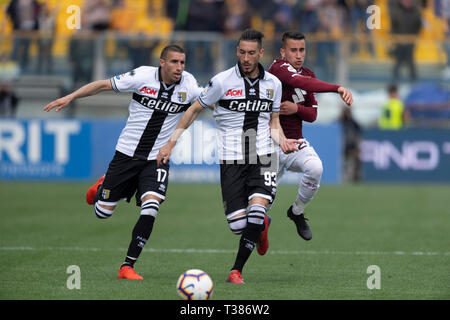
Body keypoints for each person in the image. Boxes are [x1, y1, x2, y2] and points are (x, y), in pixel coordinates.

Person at [43, 45, 202, 280]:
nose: (179, 67)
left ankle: (127, 266)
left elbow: (203, 104)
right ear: (162, 62)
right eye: (174, 62)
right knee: (102, 212)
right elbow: (101, 85)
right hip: (126, 155)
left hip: (157, 159)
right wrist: (71, 96)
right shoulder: (141, 77)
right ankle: (102, 186)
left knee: (151, 207)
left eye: (182, 63)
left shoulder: (189, 85)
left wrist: (172, 140)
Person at [157, 29, 300, 284]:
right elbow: (193, 110)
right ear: (237, 51)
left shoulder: (274, 85)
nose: (246, 58)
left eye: (251, 53)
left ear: (261, 53)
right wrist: (171, 142)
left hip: (264, 156)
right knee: (238, 226)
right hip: (232, 160)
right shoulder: (221, 82)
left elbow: (274, 122)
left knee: (254, 212)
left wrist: (283, 141)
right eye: (242, 52)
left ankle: (236, 271)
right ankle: (261, 224)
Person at [268, 31, 353, 240]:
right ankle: (260, 229)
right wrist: (337, 88)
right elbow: (302, 83)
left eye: (302, 50)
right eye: (293, 50)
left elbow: (313, 115)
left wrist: (295, 109)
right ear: (282, 52)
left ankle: (296, 211)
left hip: (296, 142)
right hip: (270, 144)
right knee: (260, 206)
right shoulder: (277, 68)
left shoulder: (308, 73)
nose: (298, 55)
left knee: (316, 168)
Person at [389, 0, 422, 83]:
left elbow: (418, 24)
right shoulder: (397, 11)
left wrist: (414, 36)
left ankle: (413, 80)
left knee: (410, 61)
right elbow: (394, 25)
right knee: (399, 60)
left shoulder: (415, 11)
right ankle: (395, 80)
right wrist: (396, 37)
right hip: (400, 40)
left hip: (410, 40)